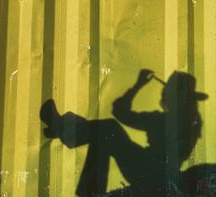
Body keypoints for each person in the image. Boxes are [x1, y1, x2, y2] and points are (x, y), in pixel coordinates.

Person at [40, 69, 208, 196]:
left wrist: (138, 85)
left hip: (149, 173)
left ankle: (62, 129)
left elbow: (120, 111)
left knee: (108, 129)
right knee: (106, 132)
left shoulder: (164, 120)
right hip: (155, 173)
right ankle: (62, 129)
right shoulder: (191, 122)